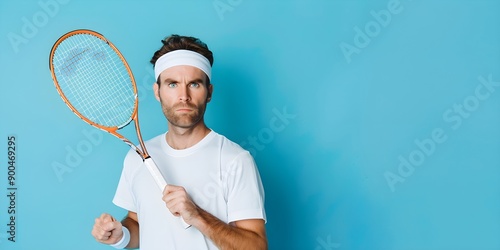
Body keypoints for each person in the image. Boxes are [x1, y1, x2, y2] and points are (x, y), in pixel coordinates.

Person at [91, 35, 267, 249]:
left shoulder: (235, 160)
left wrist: (197, 216)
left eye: (194, 84)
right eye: (172, 84)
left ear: (209, 92)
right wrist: (121, 236)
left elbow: (256, 246)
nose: (184, 96)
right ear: (158, 92)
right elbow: (138, 222)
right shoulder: (137, 157)